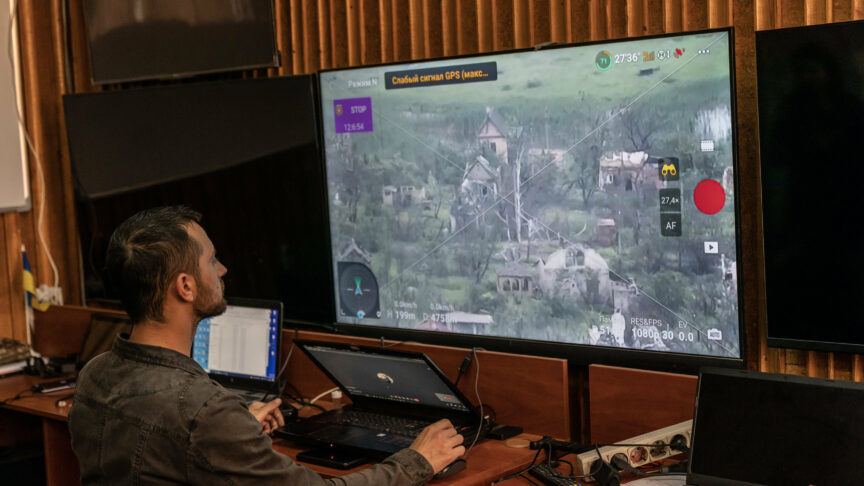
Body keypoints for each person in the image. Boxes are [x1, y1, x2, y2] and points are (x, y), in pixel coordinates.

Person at [68, 206, 465, 484]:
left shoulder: (94, 375)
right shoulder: (203, 411)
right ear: (185, 287)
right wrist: (418, 461)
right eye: (212, 261)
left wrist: (234, 435)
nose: (222, 270)